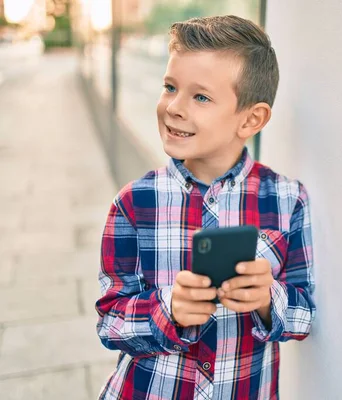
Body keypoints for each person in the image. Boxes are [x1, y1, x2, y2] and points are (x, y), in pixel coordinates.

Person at [95, 15, 316, 400]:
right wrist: (168, 310)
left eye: (200, 97)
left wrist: (266, 299)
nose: (174, 108)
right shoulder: (133, 203)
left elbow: (305, 315)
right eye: (170, 87)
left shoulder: (287, 200)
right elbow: (110, 321)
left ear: (251, 119)